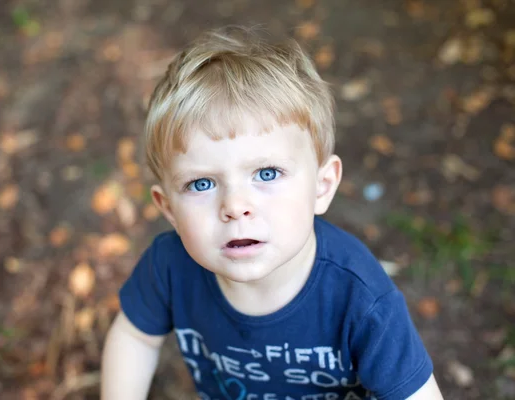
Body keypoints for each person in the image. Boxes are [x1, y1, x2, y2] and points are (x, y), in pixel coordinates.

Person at [101, 26, 444, 400]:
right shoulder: (169, 267)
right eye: (201, 184)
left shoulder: (360, 300)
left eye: (266, 173)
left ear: (322, 186)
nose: (234, 206)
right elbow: (135, 337)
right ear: (168, 207)